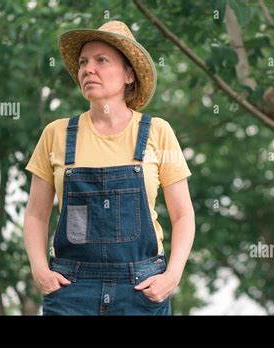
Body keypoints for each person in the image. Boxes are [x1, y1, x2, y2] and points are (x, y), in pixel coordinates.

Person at [23, 20, 195, 315]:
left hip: (142, 288)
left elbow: (183, 215)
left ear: (129, 74)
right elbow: (36, 215)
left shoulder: (156, 132)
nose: (88, 69)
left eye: (101, 60)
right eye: (83, 62)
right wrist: (40, 271)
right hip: (71, 289)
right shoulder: (57, 134)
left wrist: (171, 278)